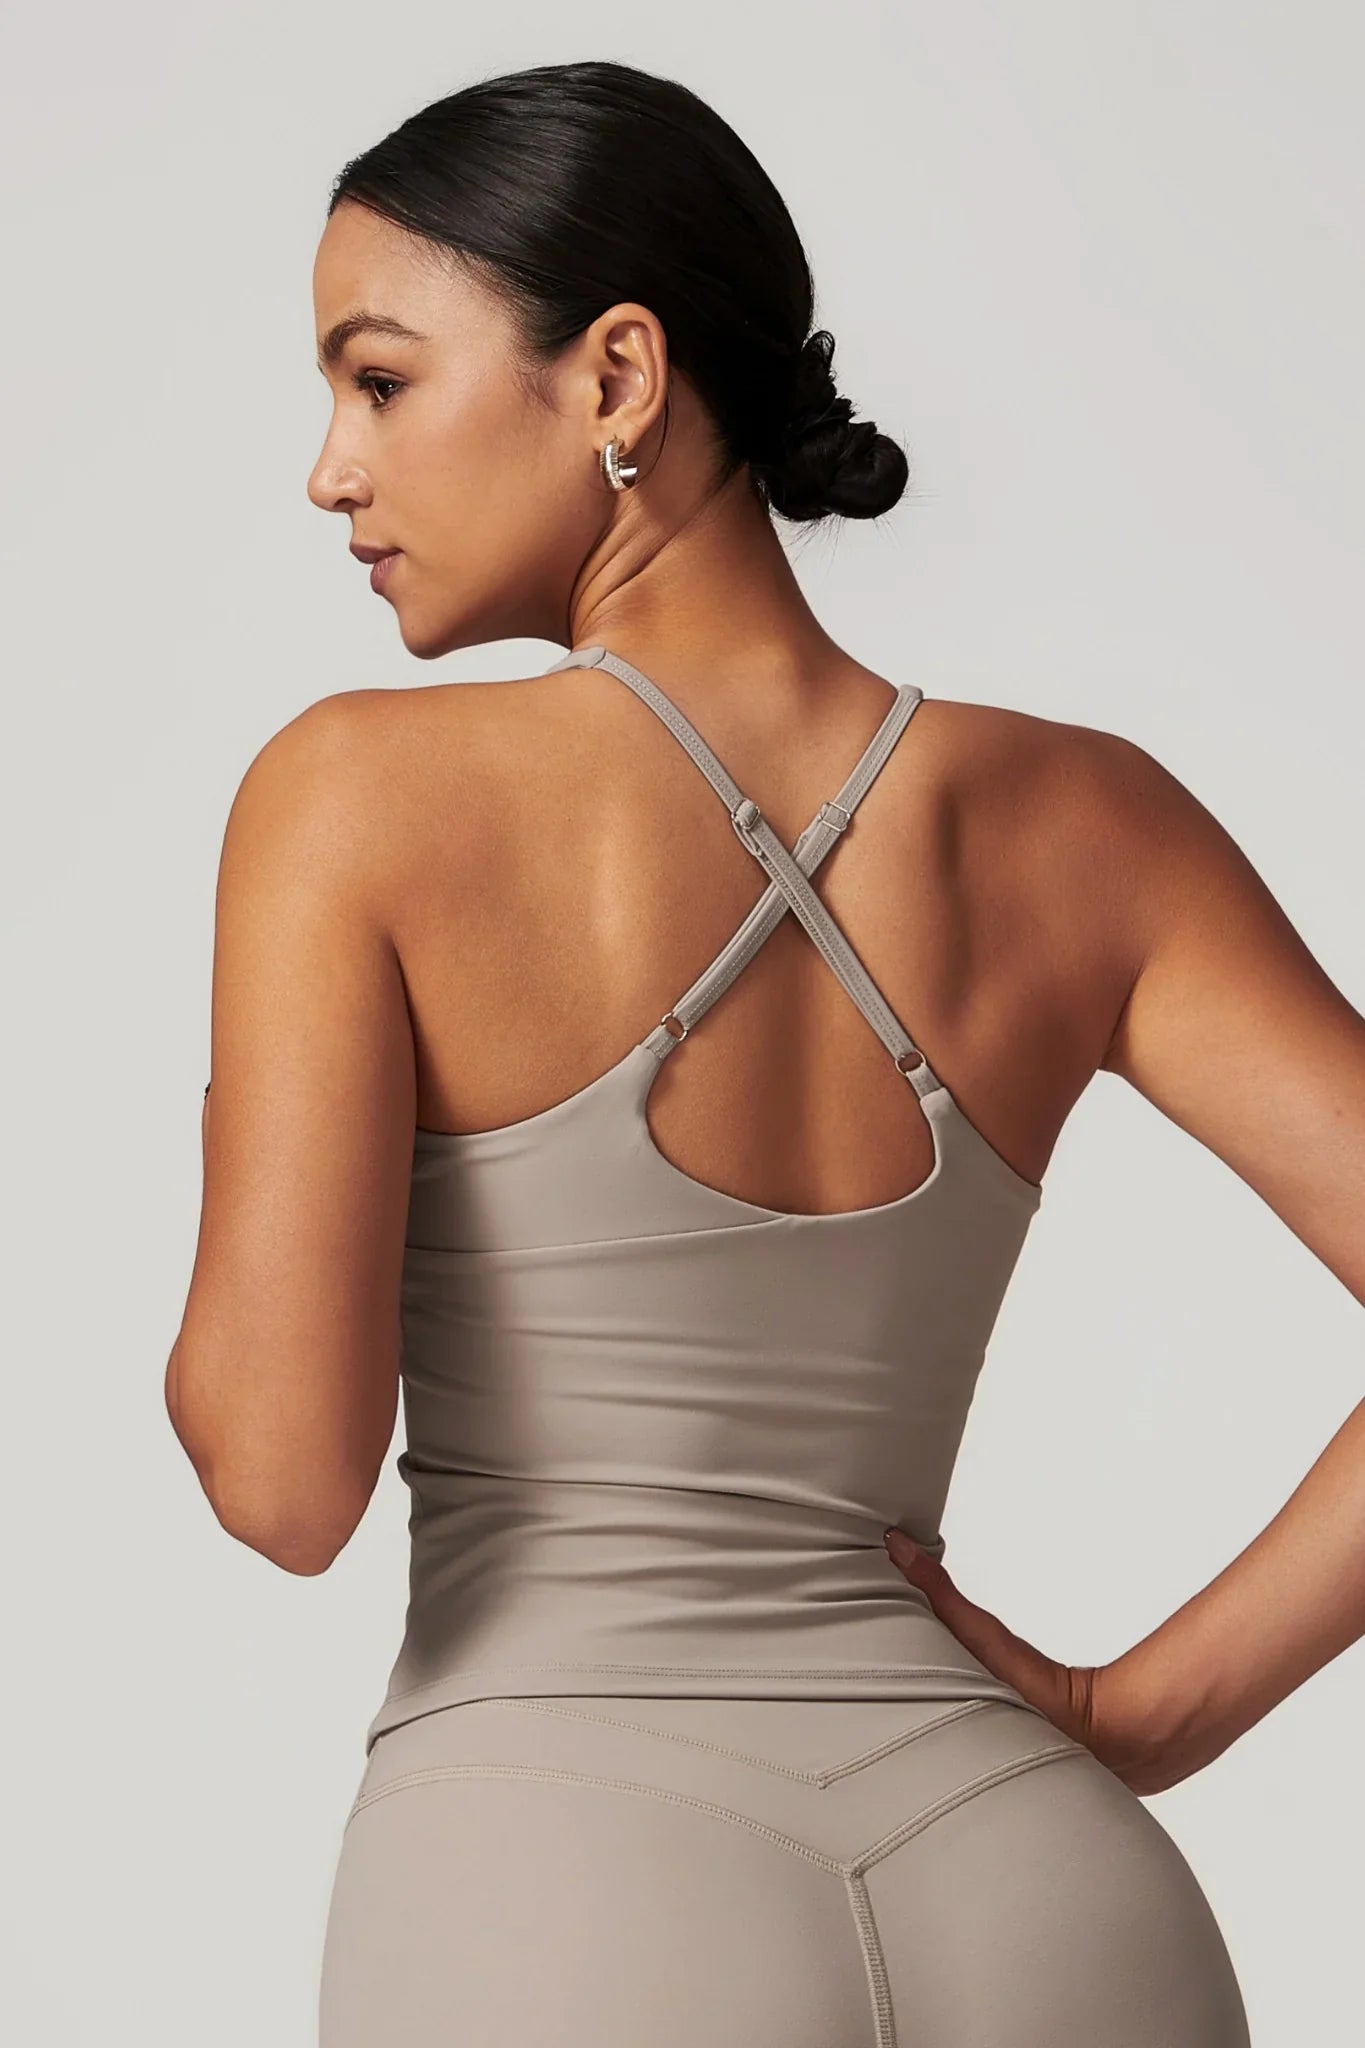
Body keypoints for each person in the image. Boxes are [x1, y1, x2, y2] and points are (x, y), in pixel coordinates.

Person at [163, 58, 1364, 2048]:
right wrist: (1142, 1714)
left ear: (618, 377)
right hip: (1043, 1894)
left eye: (376, 381)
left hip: (562, 1893)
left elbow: (281, 1479)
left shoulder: (350, 800)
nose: (330, 470)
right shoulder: (1087, 824)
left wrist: (245, 1141)